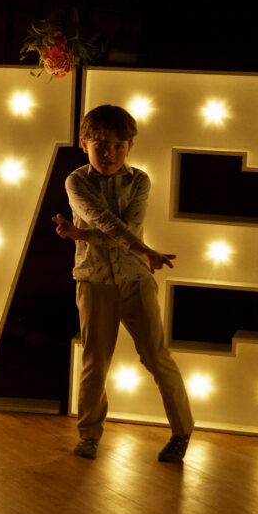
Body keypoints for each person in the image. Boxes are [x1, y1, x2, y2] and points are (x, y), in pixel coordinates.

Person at [52, 104, 194, 462]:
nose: (110, 153)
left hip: (136, 280)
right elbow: (102, 221)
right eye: (101, 145)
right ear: (84, 144)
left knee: (157, 358)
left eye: (118, 145)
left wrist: (81, 235)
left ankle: (181, 432)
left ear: (129, 146)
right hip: (94, 282)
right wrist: (139, 247)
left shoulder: (140, 181)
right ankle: (89, 436)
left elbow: (119, 227)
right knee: (94, 362)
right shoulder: (76, 181)